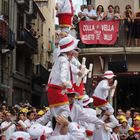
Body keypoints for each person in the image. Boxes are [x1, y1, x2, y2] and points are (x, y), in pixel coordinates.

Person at [47, 36, 78, 117]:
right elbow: (63, 73)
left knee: (56, 115)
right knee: (65, 113)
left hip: (52, 89)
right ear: (69, 50)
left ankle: (57, 129)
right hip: (57, 89)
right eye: (72, 49)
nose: (73, 52)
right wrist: (65, 82)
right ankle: (60, 129)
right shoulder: (64, 60)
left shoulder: (58, 59)